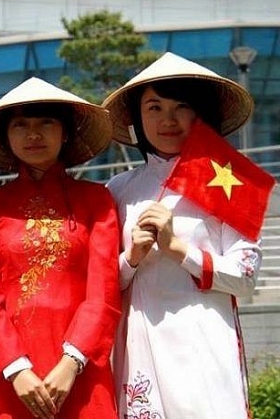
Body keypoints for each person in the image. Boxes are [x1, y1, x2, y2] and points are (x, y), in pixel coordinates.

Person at [103, 52, 261, 418]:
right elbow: (100, 283)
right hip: (140, 345)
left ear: (201, 113)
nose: (167, 120)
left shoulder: (230, 181)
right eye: (154, 108)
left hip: (205, 344)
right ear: (138, 117)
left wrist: (178, 249)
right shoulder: (118, 189)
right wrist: (131, 258)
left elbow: (246, 276)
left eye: (181, 107)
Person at [0, 77, 121, 419]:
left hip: (83, 373)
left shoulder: (97, 200)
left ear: (65, 133)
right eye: (20, 125)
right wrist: (16, 369)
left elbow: (104, 293)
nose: (33, 134)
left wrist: (72, 362)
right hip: (14, 381)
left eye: (46, 122)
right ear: (6, 136)